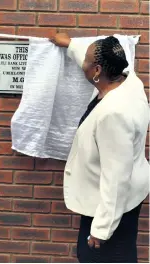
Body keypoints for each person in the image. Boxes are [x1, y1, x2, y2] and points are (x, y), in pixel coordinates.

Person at [51, 33, 149, 263]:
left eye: (86, 60)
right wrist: (71, 45)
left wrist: (102, 230)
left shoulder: (114, 114)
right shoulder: (129, 79)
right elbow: (94, 56)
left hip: (112, 207)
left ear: (96, 71)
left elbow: (116, 179)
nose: (83, 62)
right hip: (123, 198)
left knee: (97, 256)